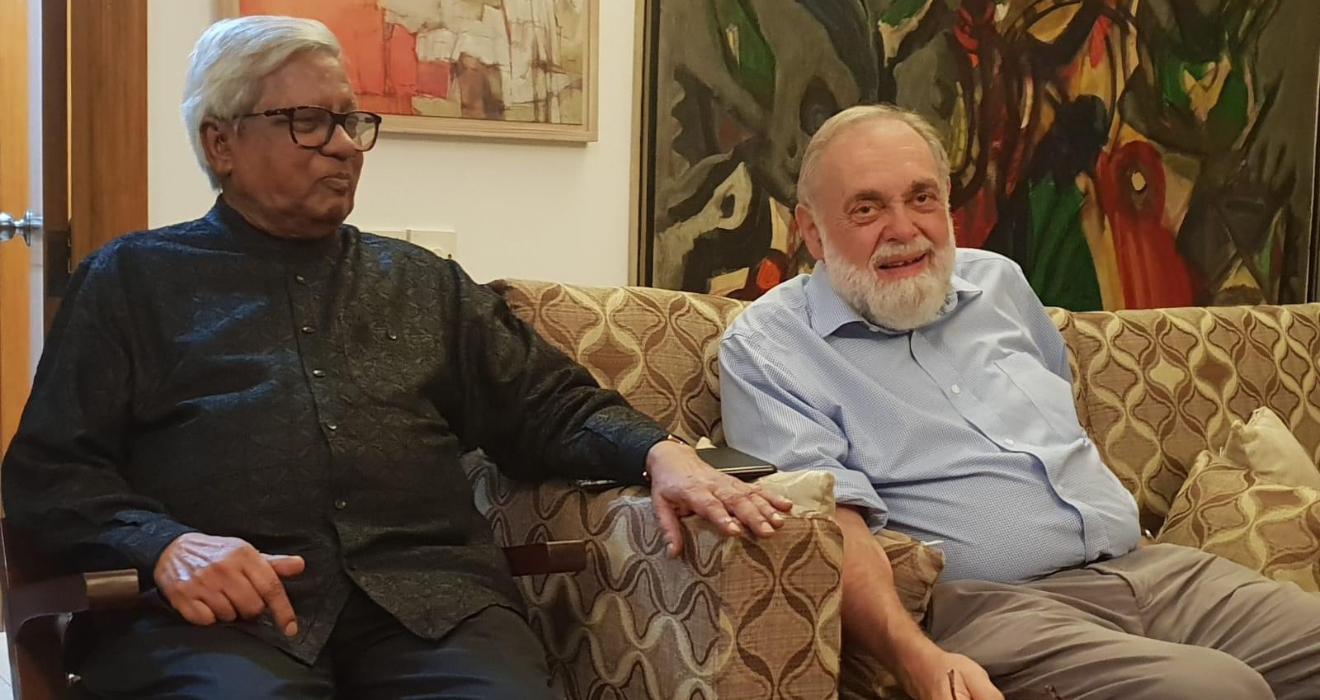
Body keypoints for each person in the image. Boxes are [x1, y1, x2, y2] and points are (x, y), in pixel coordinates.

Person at [0, 16, 793, 700]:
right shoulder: (133, 281)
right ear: (222, 141)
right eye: (309, 121)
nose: (345, 146)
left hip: (431, 608)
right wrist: (166, 545)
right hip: (220, 621)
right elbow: (49, 476)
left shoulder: (421, 284)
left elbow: (548, 406)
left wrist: (664, 453)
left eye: (353, 121)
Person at [718, 104, 1320, 700]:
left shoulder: (998, 284)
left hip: (1153, 573)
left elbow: (1063, 422)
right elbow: (830, 529)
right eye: (867, 208)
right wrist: (917, 660)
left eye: (922, 198)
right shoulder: (773, 347)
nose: (903, 228)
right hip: (995, 610)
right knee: (1217, 691)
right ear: (812, 232)